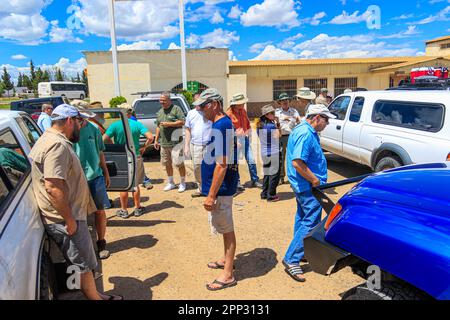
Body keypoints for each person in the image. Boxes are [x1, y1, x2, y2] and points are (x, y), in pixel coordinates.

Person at [28, 104, 122, 300]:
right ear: (70, 121)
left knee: (84, 262)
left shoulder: (48, 138)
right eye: (80, 122)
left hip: (67, 215)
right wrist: (69, 219)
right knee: (81, 262)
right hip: (64, 218)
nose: (82, 126)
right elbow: (53, 186)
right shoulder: (57, 145)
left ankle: (96, 295)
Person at [282, 104, 336, 283]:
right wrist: (314, 180)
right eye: (326, 120)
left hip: (302, 185)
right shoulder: (305, 133)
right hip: (308, 186)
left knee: (303, 218)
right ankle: (292, 258)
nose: (327, 124)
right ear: (317, 117)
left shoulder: (303, 130)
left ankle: (301, 251)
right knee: (310, 221)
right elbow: (298, 162)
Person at [194, 88, 239, 291]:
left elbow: (221, 164)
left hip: (222, 188)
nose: (200, 110)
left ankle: (228, 274)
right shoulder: (220, 124)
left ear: (214, 104)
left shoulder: (221, 126)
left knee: (226, 229)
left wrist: (211, 195)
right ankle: (225, 259)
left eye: (202, 106)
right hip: (221, 186)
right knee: (223, 227)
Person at [72, 104, 112, 260]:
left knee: (100, 211)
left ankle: (101, 243)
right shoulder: (68, 132)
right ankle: (82, 247)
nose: (81, 120)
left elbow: (100, 152)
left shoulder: (94, 129)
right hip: (76, 179)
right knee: (78, 213)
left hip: (95, 177)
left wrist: (106, 173)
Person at [103, 104, 154, 219]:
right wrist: (143, 147)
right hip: (135, 155)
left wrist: (113, 146)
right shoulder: (136, 124)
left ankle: (124, 210)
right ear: (130, 113)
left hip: (122, 156)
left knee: (123, 184)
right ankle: (137, 208)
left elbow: (104, 139)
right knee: (135, 184)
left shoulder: (115, 125)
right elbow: (150, 137)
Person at [226, 93, 261, 191]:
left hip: (244, 138)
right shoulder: (229, 114)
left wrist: (249, 132)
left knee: (251, 159)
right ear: (235, 104)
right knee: (235, 162)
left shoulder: (243, 111)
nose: (243, 104)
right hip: (235, 140)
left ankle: (255, 180)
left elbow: (247, 123)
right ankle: (237, 183)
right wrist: (235, 140)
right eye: (241, 103)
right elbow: (228, 129)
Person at [154, 92, 187, 193]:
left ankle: (182, 183)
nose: (161, 102)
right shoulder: (160, 111)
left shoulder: (176, 109)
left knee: (179, 163)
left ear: (169, 100)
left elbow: (183, 121)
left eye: (163, 100)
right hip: (164, 143)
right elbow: (158, 126)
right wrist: (156, 140)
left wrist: (170, 124)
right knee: (167, 164)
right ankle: (171, 182)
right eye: (160, 100)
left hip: (176, 143)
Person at [184, 97, 212, 198]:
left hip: (209, 144)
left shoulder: (209, 112)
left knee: (209, 166)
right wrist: (186, 146)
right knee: (197, 166)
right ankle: (200, 187)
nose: (198, 105)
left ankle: (210, 189)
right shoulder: (191, 113)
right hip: (195, 144)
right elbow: (187, 129)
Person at [275, 93, 301, 185]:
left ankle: (293, 177)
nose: (285, 102)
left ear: (289, 101)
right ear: (280, 102)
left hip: (292, 137)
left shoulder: (294, 111)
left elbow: (299, 122)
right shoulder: (277, 112)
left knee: (293, 158)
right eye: (283, 100)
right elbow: (275, 124)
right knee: (281, 158)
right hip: (281, 137)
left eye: (286, 100)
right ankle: (281, 177)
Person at [257, 105, 282, 202]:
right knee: (274, 174)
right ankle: (271, 195)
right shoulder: (271, 125)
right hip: (274, 152)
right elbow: (279, 135)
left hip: (264, 152)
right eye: (272, 113)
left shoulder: (260, 125)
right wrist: (278, 124)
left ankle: (264, 193)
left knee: (267, 173)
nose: (274, 115)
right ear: (267, 115)